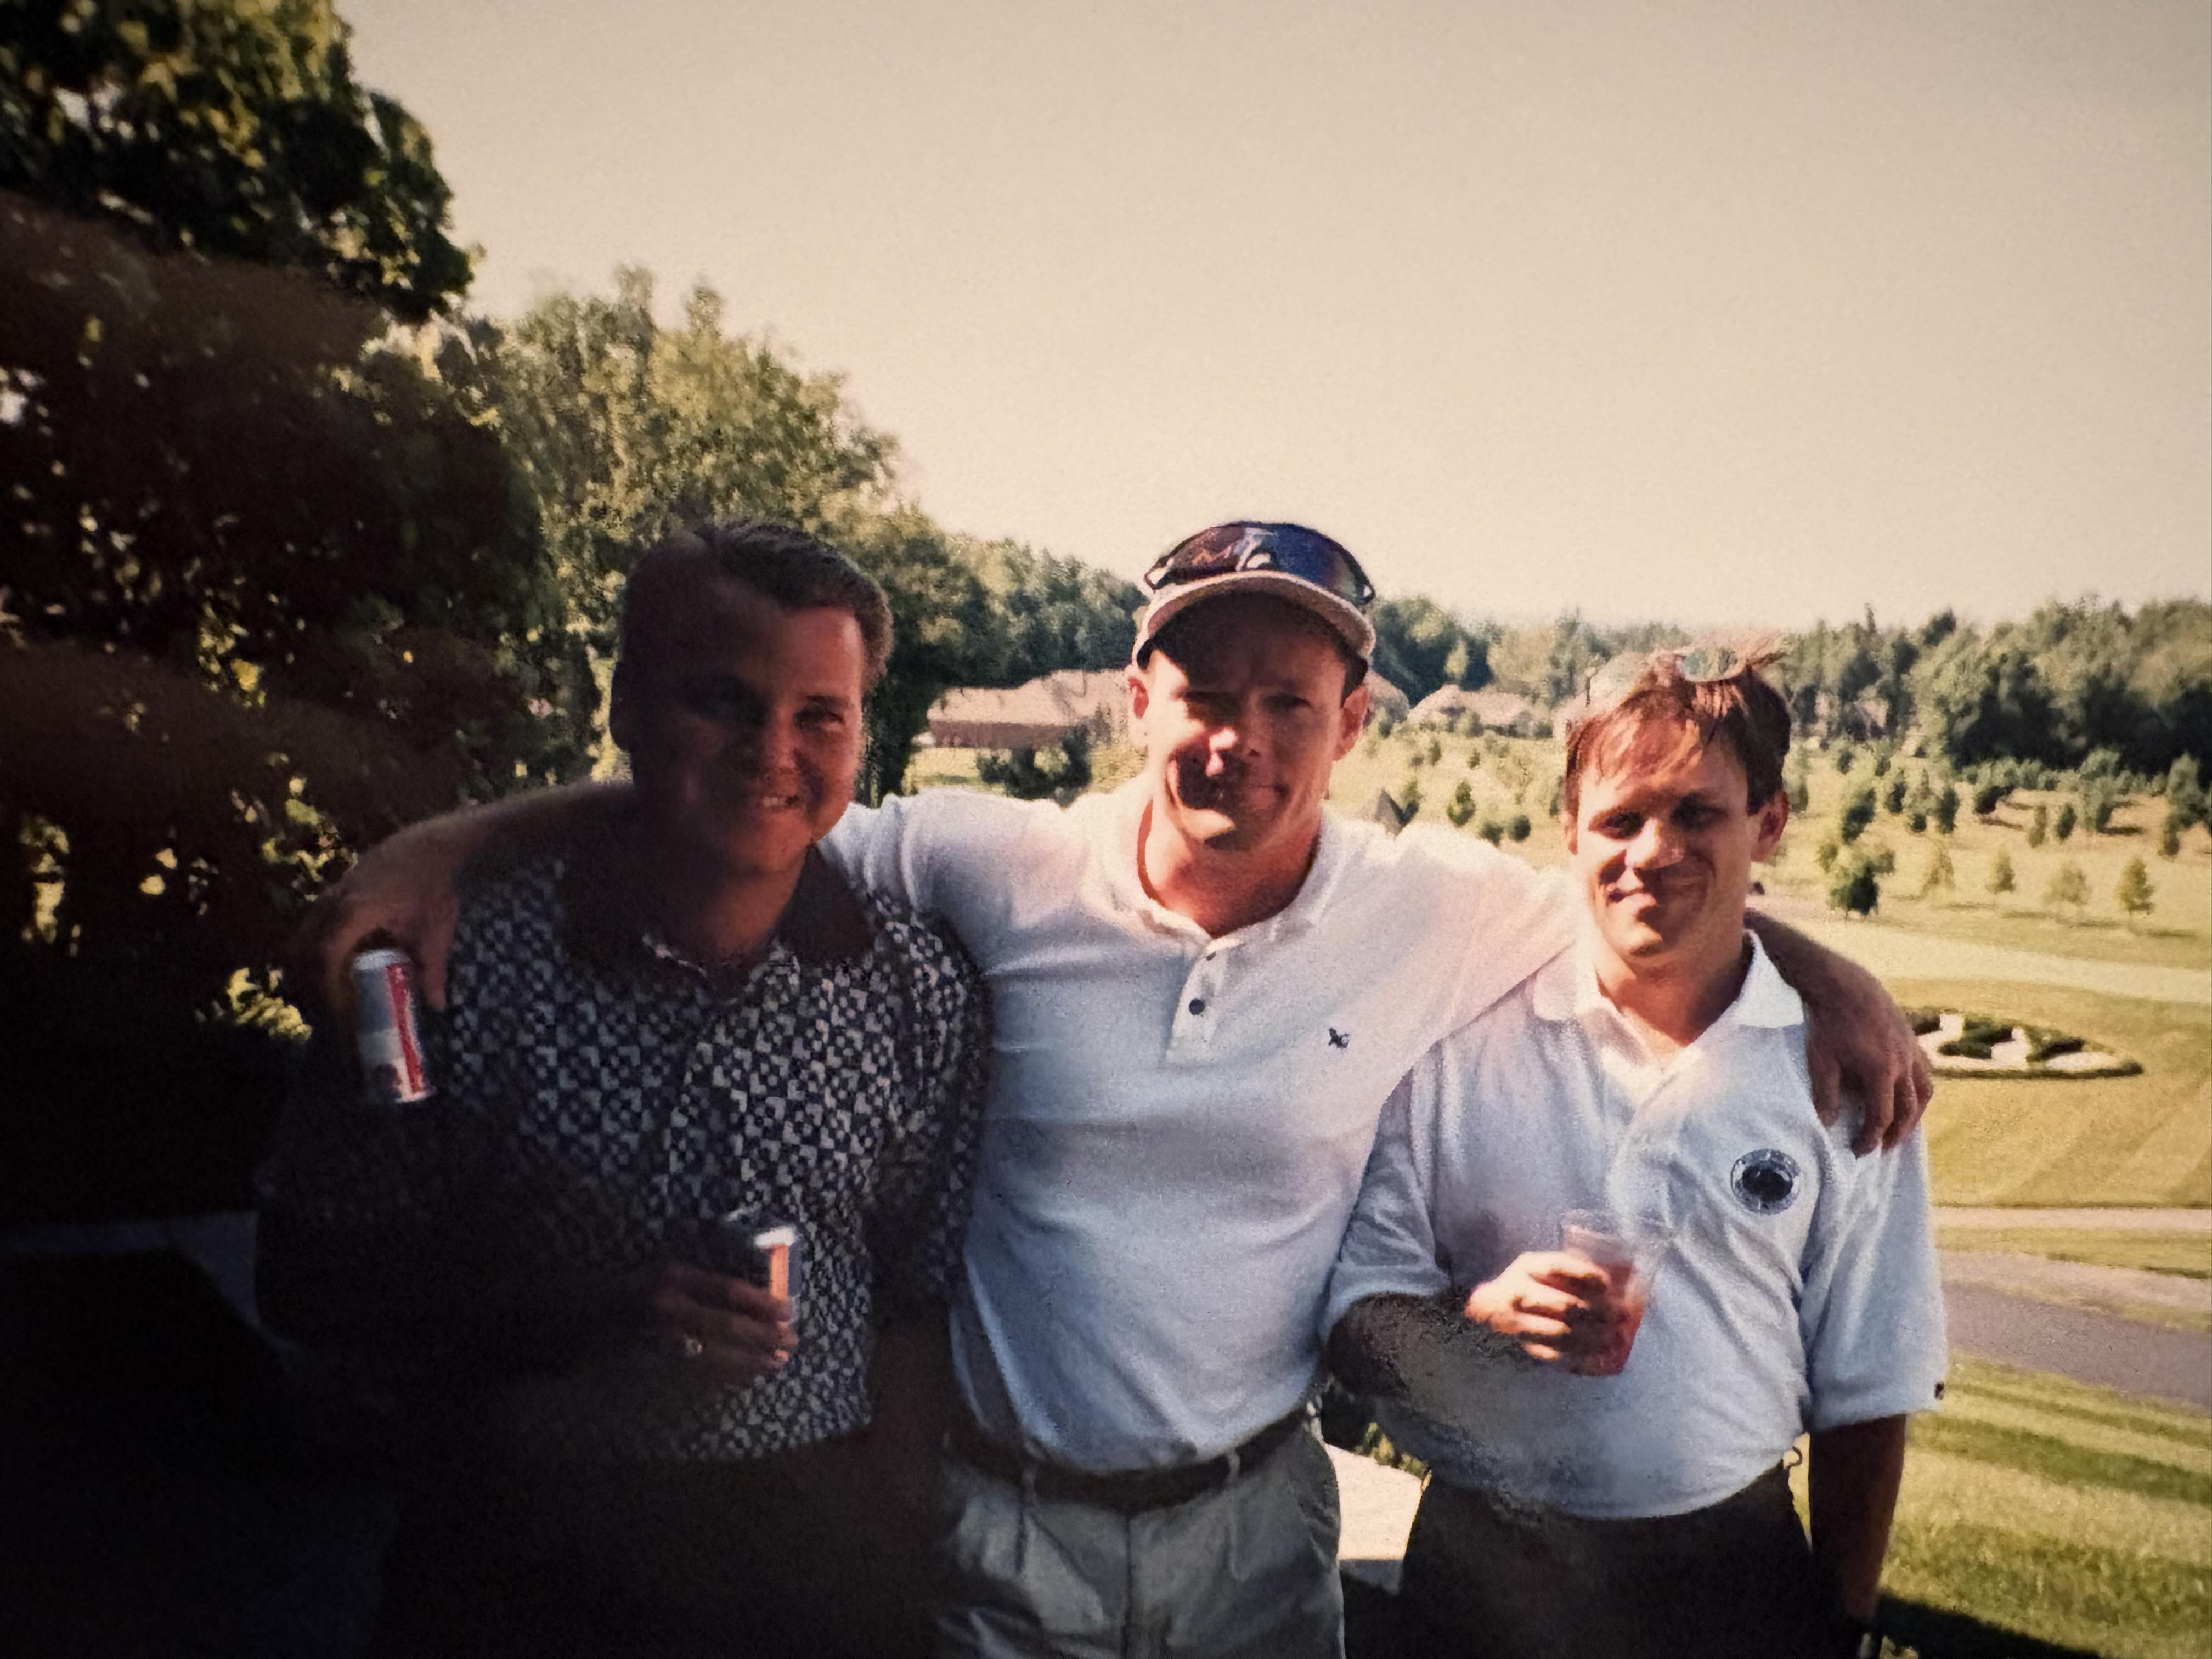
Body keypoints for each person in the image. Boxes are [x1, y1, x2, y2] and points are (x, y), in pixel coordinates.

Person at [303, 522, 1932, 1659]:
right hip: (997, 1533)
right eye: (1204, 693)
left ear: (1353, 722)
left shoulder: (1429, 906)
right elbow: (753, 796)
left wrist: (1827, 978)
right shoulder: (994, 864)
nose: (1241, 739)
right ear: (1137, 700)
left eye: (1289, 702)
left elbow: (1648, 876)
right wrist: (449, 847)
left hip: (1257, 1537)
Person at [258, 521, 991, 1659]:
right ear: (628, 707)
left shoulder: (917, 990)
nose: (773, 751)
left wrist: (891, 1546)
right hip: (517, 1556)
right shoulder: (447, 969)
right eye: (723, 700)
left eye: (819, 715)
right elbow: (308, 1279)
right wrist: (585, 1309)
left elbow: (914, 1300)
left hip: (812, 1573)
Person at [1324, 645, 1945, 1659]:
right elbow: (1356, 1330)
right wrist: (1476, 1319)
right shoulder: (1457, 1044)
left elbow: (1869, 1393)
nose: (1653, 852)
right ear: (1570, 831)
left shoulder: (1845, 1075)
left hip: (1729, 1574)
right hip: (1479, 1569)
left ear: (1769, 823)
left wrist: (1842, 1627)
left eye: (1697, 814)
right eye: (1620, 820)